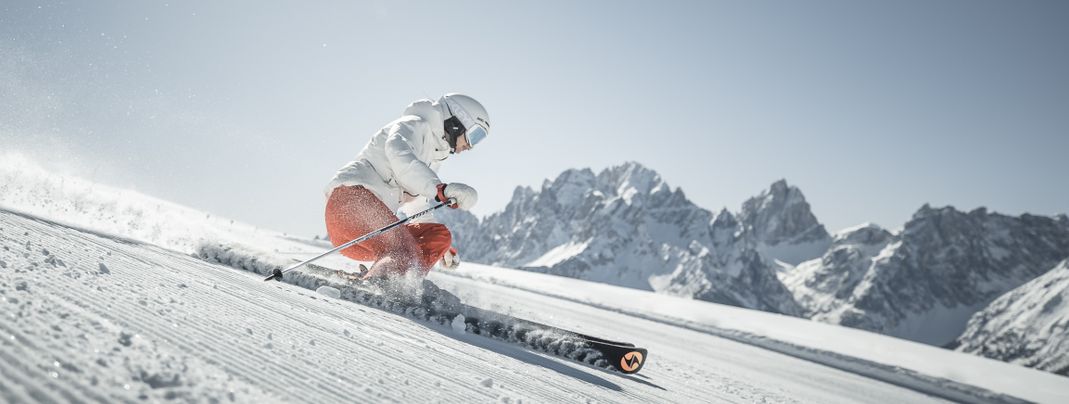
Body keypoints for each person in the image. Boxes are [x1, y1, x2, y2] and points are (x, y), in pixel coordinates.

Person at [323, 93, 489, 280]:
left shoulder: (432, 156)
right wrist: (441, 190)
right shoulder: (413, 124)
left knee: (438, 236)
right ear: (457, 121)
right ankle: (385, 283)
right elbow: (400, 157)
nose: (470, 146)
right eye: (474, 135)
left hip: (371, 233)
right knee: (403, 251)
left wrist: (438, 248)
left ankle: (404, 283)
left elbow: (416, 204)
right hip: (351, 206)